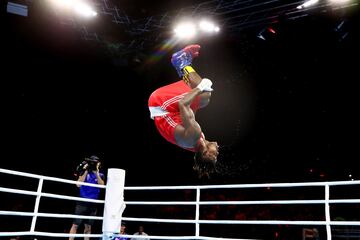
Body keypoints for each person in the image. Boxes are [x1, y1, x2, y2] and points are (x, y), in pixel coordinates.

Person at [148, 44, 219, 178]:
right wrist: (196, 98)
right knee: (203, 99)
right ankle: (183, 68)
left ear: (205, 152)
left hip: (161, 104)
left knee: (204, 94)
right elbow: (189, 113)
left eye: (215, 154)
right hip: (170, 112)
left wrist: (199, 88)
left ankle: (181, 62)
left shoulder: (194, 136)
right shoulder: (198, 141)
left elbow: (183, 104)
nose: (218, 151)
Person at [69, 155, 105, 240]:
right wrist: (85, 171)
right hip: (82, 202)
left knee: (88, 227)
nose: (93, 164)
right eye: (92, 162)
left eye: (95, 163)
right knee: (75, 225)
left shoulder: (101, 174)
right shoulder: (84, 172)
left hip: (93, 204)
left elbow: (102, 185)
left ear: (99, 163)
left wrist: (96, 172)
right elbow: (78, 184)